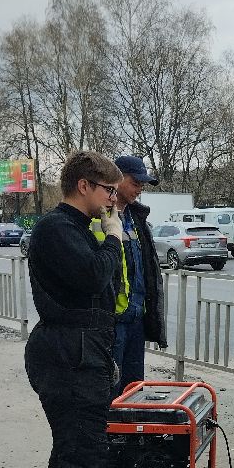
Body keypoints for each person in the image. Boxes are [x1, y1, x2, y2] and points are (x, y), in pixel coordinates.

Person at [24, 151, 125, 468]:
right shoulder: (58, 229)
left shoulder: (71, 229)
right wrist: (113, 239)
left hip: (77, 352)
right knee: (83, 460)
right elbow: (93, 278)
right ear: (84, 185)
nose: (111, 201)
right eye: (108, 191)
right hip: (70, 356)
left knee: (68, 455)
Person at [91, 154, 167, 394]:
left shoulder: (136, 218)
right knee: (109, 392)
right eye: (136, 183)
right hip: (112, 322)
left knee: (134, 391)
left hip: (135, 319)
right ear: (117, 179)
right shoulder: (97, 216)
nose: (140, 189)